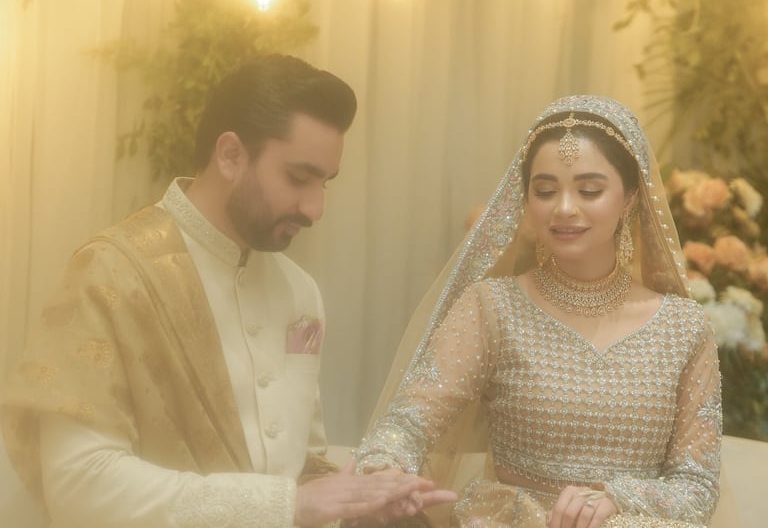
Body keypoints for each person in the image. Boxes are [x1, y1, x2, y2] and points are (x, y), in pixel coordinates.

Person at [0, 54, 455, 528]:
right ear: (231, 155)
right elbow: (77, 483)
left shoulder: (299, 292)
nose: (316, 208)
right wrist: (288, 506)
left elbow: (301, 461)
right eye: (298, 178)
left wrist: (360, 498)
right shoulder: (113, 273)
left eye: (325, 183)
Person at [354, 95, 722, 528]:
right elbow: (410, 421)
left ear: (628, 199)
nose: (564, 208)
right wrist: (383, 465)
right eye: (545, 190)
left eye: (589, 190)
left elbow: (697, 487)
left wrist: (616, 501)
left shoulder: (683, 327)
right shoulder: (492, 307)